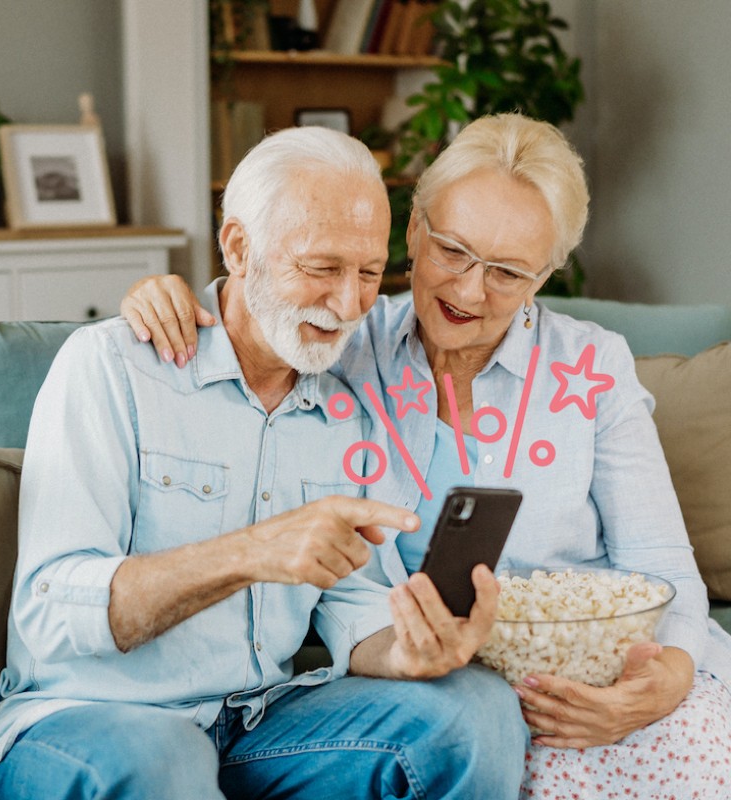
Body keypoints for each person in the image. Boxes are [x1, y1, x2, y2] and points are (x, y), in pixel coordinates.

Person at [122, 113, 731, 798]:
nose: (470, 291)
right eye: (453, 251)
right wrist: (168, 294)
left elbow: (664, 569)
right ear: (411, 231)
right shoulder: (341, 346)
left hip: (607, 672)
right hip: (457, 691)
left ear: (545, 275)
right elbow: (257, 304)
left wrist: (667, 679)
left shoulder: (592, 366)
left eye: (508, 272)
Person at [0, 127, 529, 800]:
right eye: (322, 269)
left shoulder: (348, 413)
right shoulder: (112, 366)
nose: (348, 305)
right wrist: (251, 552)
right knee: (167, 760)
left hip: (256, 726)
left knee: (478, 711)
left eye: (369, 274)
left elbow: (352, 606)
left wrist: (409, 650)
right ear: (238, 246)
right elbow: (54, 612)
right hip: (89, 719)